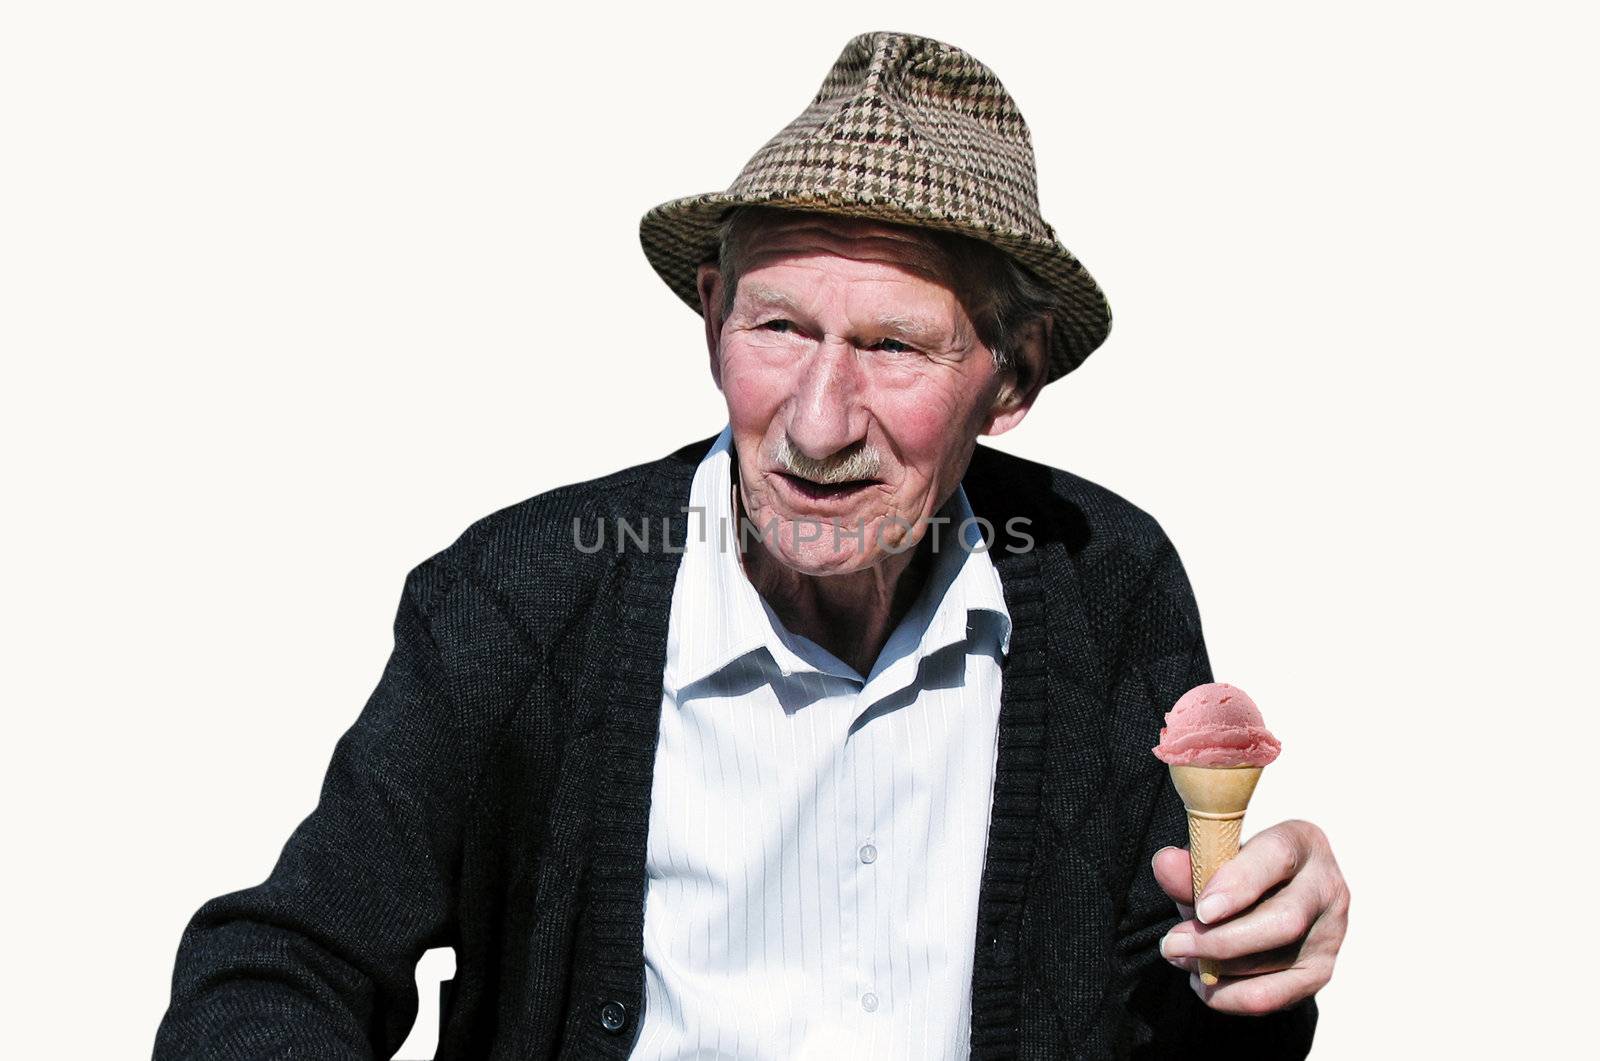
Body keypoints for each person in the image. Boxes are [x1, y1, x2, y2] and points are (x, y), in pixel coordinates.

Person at [155, 31, 1348, 1059]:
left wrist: (1249, 971)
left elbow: (1173, 1028)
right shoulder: (524, 594)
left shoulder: (1104, 579)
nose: (817, 423)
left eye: (893, 346)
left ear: (1012, 374)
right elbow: (278, 963)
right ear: (713, 310)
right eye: (777, 325)